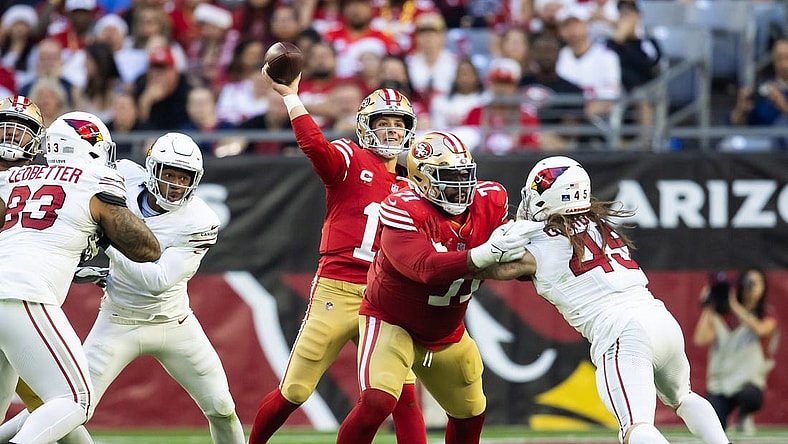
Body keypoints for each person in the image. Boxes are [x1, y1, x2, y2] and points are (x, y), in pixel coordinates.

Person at [473, 156, 733, 444]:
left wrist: (466, 256)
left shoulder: (540, 241)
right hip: (660, 319)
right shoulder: (601, 225)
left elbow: (492, 268)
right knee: (683, 397)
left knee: (635, 427)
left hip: (623, 332)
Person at [247, 74, 427, 442]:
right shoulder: (350, 157)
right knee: (294, 390)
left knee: (403, 395)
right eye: (383, 123)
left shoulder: (414, 184)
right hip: (337, 290)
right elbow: (314, 146)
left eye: (398, 124)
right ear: (366, 127)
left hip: (384, 299)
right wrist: (291, 97)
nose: (392, 131)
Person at [37, 132, 242, 444]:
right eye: (169, 174)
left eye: (183, 178)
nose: (175, 185)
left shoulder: (200, 219)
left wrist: (107, 241)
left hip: (175, 323)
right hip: (118, 320)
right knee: (72, 406)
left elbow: (158, 282)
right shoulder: (123, 178)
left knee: (222, 407)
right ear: (151, 169)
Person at [335, 131, 532, 444]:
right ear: (420, 180)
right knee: (377, 401)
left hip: (446, 331)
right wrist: (486, 254)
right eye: (449, 177)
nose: (460, 186)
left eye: (464, 175)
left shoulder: (490, 200)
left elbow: (516, 267)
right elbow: (425, 268)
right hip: (392, 321)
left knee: (470, 413)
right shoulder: (402, 207)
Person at [0, 110, 161, 444]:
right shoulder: (94, 178)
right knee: (76, 399)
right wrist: (102, 233)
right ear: (91, 147)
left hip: (10, 284)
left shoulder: (14, 176)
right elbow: (146, 249)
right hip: (22, 293)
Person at [693, 268, 779, 434]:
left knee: (751, 398)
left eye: (756, 283)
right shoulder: (723, 315)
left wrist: (735, 306)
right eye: (748, 282)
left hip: (747, 384)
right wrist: (708, 307)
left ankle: (744, 415)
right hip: (721, 385)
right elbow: (700, 339)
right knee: (714, 424)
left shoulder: (767, 314)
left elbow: (761, 330)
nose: (751, 287)